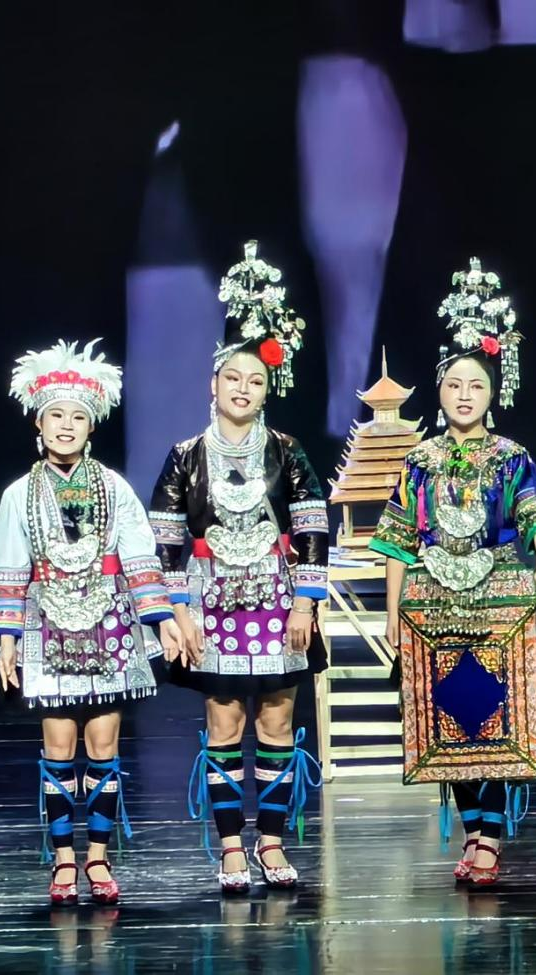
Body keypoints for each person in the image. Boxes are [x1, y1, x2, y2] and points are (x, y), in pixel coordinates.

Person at [371, 258, 536, 886]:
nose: (463, 394)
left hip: (499, 599)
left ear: (492, 394)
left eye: (475, 385)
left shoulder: (511, 456)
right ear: (440, 391)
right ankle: (473, 828)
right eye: (453, 384)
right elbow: (397, 540)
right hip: (432, 601)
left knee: (496, 713)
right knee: (450, 716)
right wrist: (393, 612)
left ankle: (489, 840)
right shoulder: (419, 460)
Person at [149, 242, 328, 893]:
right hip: (212, 605)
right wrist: (177, 610)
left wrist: (305, 603)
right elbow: (166, 540)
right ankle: (230, 848)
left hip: (279, 605)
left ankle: (272, 843)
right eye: (233, 378)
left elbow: (312, 525)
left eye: (255, 380)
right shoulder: (186, 455)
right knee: (223, 723)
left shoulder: (287, 450)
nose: (243, 388)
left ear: (265, 388)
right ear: (214, 385)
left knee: (278, 722)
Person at [0, 339, 181, 905]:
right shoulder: (19, 495)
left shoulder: (113, 488)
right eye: (57, 416)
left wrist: (161, 619)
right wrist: (6, 639)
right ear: (39, 423)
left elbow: (140, 556)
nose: (66, 426)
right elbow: (8, 566)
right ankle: (63, 858)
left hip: (108, 621)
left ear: (91, 427)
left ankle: (97, 855)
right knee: (58, 742)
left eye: (77, 417)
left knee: (102, 741)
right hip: (48, 622)